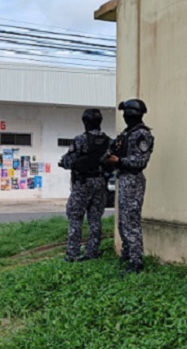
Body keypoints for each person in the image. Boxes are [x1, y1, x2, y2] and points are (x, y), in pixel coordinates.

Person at [104, 99, 154, 274]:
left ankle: (136, 261)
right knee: (123, 221)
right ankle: (127, 254)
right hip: (124, 178)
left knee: (131, 221)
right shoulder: (126, 133)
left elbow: (140, 161)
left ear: (132, 114)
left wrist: (118, 160)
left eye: (126, 113)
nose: (124, 116)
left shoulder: (141, 134)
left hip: (133, 180)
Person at [58, 108, 111, 262]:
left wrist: (63, 162)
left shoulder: (80, 140)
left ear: (86, 122)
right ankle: (92, 251)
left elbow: (69, 162)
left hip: (83, 183)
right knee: (95, 218)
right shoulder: (108, 142)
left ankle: (72, 253)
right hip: (100, 182)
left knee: (75, 216)